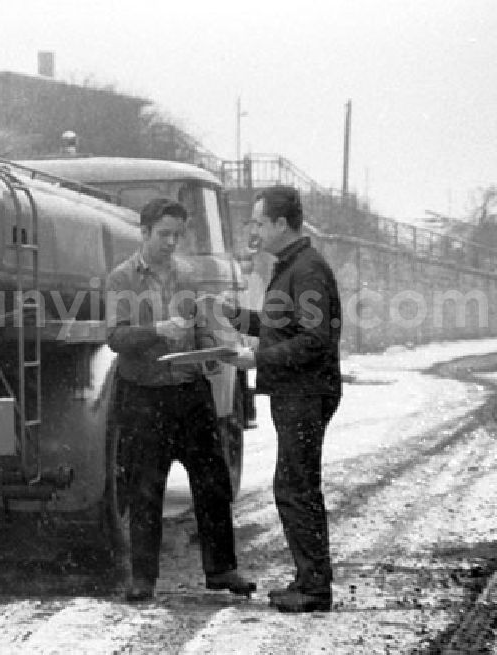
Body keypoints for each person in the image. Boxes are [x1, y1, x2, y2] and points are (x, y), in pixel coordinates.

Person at [105, 198, 255, 602]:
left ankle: (222, 570)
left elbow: (201, 327)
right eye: (164, 234)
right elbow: (115, 337)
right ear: (145, 232)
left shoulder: (189, 276)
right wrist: (157, 330)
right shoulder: (122, 280)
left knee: (212, 483)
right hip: (144, 395)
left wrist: (210, 354)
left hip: (190, 395)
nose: (172, 242)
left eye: (177, 235)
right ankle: (143, 579)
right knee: (144, 488)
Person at [211, 185, 342, 613]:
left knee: (296, 488)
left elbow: (314, 340)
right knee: (296, 486)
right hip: (297, 391)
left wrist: (257, 358)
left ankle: (314, 588)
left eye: (260, 222)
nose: (255, 229)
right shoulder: (292, 265)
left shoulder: (305, 270)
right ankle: (310, 580)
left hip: (304, 393)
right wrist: (238, 317)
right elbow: (281, 325)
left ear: (281, 224)